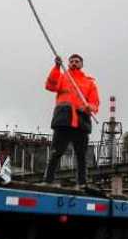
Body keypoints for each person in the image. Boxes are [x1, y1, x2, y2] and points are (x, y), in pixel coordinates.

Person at [42, 53, 100, 188]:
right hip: (63, 119)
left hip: (81, 121)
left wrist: (89, 107)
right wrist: (56, 67)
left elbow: (95, 103)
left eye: (77, 61)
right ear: (68, 64)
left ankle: (82, 183)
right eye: (72, 61)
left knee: (81, 155)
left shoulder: (89, 83)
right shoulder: (62, 77)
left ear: (81, 64)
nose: (74, 63)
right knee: (56, 152)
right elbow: (50, 85)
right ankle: (48, 180)